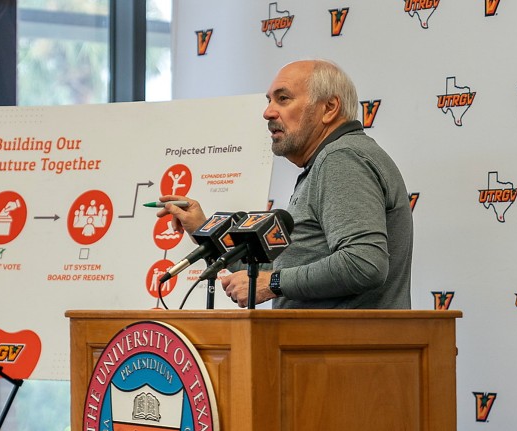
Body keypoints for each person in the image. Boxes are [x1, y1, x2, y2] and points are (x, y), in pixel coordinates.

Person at [157, 59, 413, 309]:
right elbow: (268, 274)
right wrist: (204, 229)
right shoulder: (328, 160)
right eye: (269, 100)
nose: (267, 111)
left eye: (283, 99)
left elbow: (364, 264)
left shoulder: (342, 158)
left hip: (347, 349)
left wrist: (273, 283)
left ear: (329, 108)